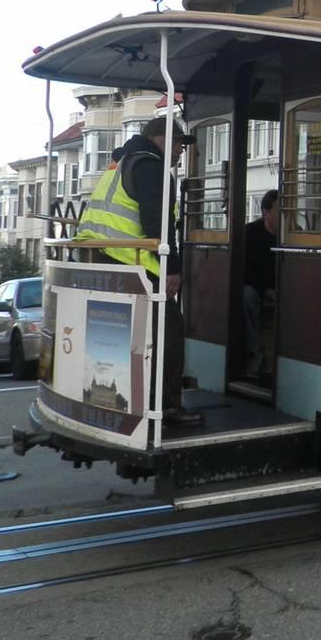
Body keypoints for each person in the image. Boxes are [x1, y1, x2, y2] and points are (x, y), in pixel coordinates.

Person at [74, 115, 201, 426]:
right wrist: (172, 269)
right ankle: (166, 406)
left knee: (120, 336)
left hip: (102, 258)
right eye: (178, 143)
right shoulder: (151, 166)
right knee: (168, 329)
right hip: (129, 260)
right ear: (161, 139)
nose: (181, 151)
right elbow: (157, 224)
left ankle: (117, 397)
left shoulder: (122, 162)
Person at [242, 189, 279, 376]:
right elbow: (244, 269)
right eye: (278, 209)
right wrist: (266, 289)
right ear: (265, 212)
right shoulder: (249, 233)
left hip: (281, 288)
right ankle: (254, 351)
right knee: (247, 296)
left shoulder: (293, 233)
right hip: (256, 288)